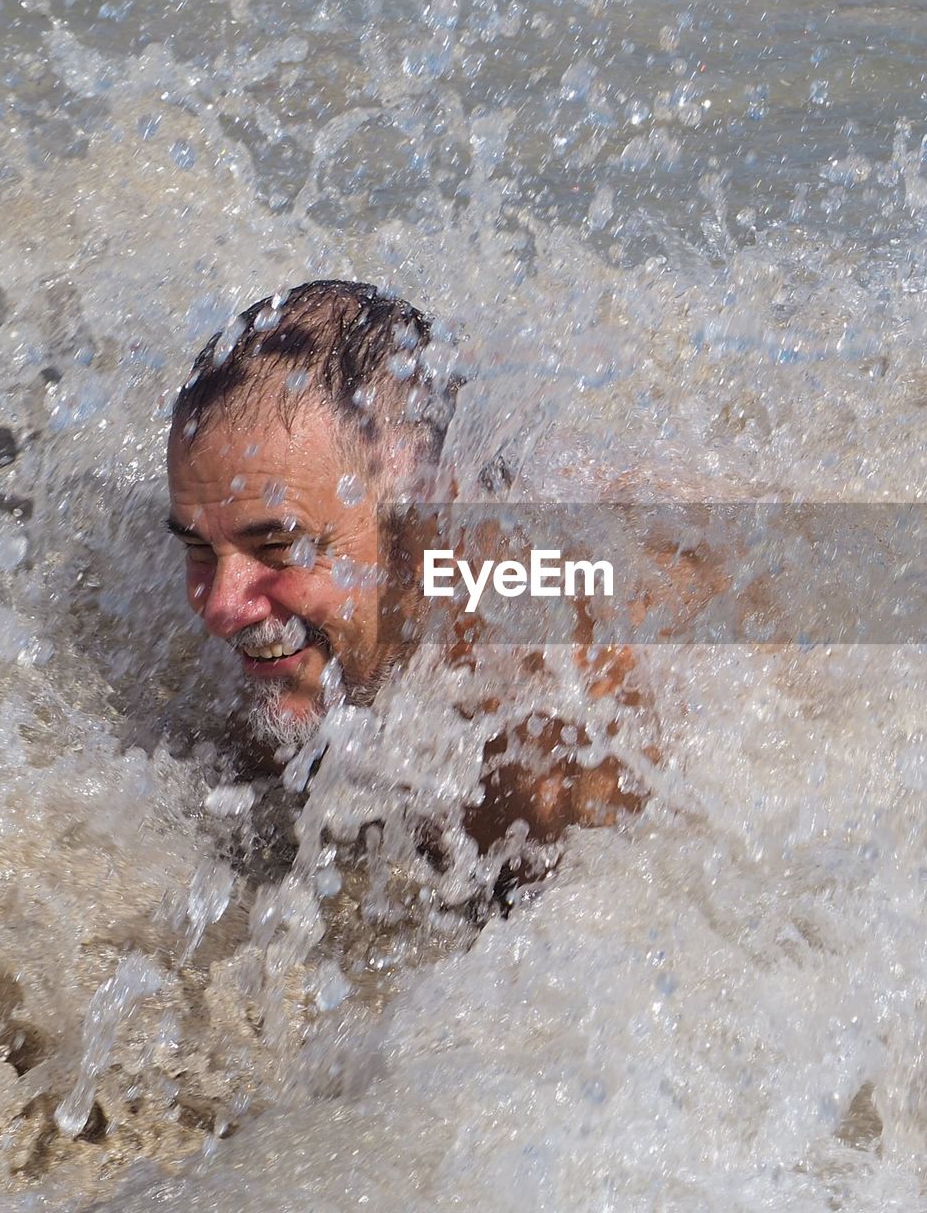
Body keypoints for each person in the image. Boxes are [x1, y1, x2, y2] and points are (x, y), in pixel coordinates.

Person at [166, 280, 644, 875]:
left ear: (424, 524)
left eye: (279, 547)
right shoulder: (302, 663)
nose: (221, 607)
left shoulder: (555, 740)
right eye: (200, 550)